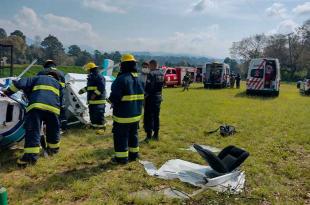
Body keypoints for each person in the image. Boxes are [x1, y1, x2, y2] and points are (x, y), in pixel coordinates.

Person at [3, 71, 63, 166]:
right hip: (54, 109)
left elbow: (21, 83)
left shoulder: (37, 78)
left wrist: (8, 92)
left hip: (37, 107)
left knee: (33, 130)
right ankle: (53, 150)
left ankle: (30, 158)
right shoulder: (58, 84)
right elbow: (61, 100)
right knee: (53, 130)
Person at [109, 54, 144, 164]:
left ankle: (121, 158)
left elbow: (114, 98)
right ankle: (134, 155)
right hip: (136, 114)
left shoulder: (121, 79)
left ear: (123, 65)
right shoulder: (140, 79)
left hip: (123, 116)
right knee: (133, 134)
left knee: (121, 137)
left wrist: (110, 101)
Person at [79, 62, 106, 134]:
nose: (87, 71)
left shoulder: (99, 76)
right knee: (92, 114)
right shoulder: (91, 77)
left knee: (99, 115)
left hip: (99, 100)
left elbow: (101, 87)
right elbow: (89, 88)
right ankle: (93, 126)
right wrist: (82, 90)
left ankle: (102, 128)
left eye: (88, 70)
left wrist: (94, 94)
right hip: (92, 101)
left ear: (91, 69)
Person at [143, 60, 164, 142]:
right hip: (158, 97)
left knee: (149, 117)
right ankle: (156, 135)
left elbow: (148, 88)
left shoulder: (151, 74)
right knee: (156, 116)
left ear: (151, 65)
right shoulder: (162, 74)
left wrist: (145, 97)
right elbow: (162, 85)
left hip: (150, 98)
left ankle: (148, 135)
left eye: (149, 66)